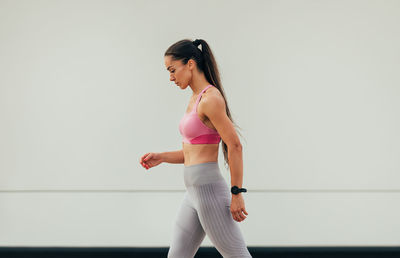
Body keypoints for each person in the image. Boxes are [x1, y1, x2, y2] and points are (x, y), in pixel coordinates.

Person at [139, 39, 252, 258]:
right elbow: (194, 153)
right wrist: (161, 157)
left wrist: (237, 192)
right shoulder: (194, 99)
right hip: (193, 193)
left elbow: (234, 145)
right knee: (177, 256)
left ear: (190, 64)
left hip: (209, 191)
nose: (171, 77)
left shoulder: (210, 99)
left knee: (237, 255)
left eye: (172, 70)